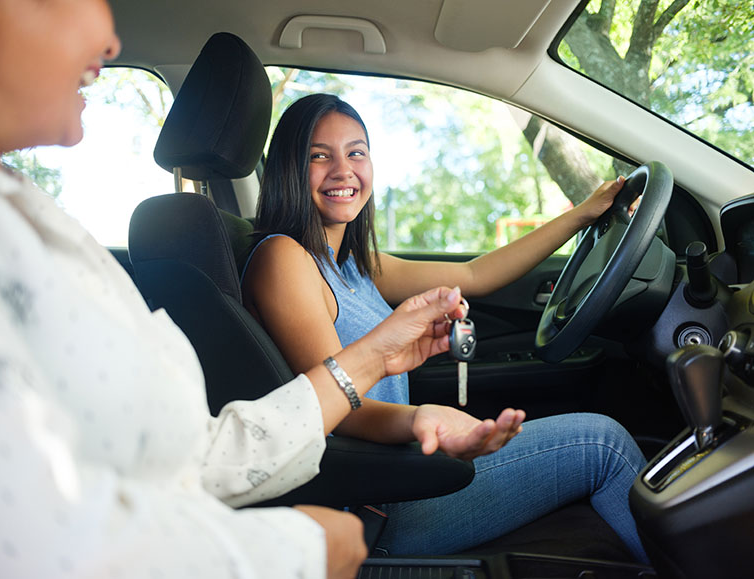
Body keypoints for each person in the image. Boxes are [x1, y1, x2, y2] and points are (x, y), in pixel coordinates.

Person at [0, 2, 526, 578]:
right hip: (355, 505)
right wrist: (287, 551)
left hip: (306, 500)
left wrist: (381, 360)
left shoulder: (30, 219)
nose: (108, 38)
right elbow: (31, 531)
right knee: (607, 444)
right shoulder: (6, 243)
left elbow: (197, 453)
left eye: (357, 153)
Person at [241, 93, 650, 563]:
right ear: (289, 170)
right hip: (377, 504)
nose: (343, 170)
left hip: (402, 473)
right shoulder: (284, 258)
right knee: (604, 445)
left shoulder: (352, 263)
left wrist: (582, 214)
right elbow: (338, 410)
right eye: (319, 156)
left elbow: (476, 276)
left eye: (356, 152)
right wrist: (422, 418)